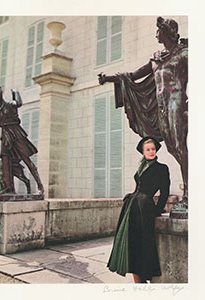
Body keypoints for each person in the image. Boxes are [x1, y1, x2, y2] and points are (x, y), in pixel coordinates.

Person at [98, 16, 188, 204]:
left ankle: (189, 191)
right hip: (161, 106)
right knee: (172, 148)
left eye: (159, 30)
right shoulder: (156, 59)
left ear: (168, 32)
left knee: (180, 147)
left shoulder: (184, 54)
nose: (156, 34)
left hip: (176, 104)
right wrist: (108, 78)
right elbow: (132, 76)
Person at [107, 136, 170, 283]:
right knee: (131, 242)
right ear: (143, 152)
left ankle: (145, 276)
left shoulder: (161, 168)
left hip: (145, 208)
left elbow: (164, 192)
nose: (151, 151)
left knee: (143, 244)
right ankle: (137, 279)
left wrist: (157, 210)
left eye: (153, 149)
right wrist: (132, 195)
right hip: (133, 207)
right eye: (148, 149)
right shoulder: (141, 166)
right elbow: (139, 187)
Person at [0, 86, 44, 196]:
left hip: (16, 134)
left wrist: (15, 91)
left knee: (27, 161)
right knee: (5, 163)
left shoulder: (10, 104)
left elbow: (18, 103)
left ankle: (40, 186)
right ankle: (8, 189)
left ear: (2, 93)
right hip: (6, 137)